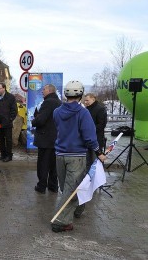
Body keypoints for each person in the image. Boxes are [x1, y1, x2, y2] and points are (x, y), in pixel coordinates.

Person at [51, 80, 106, 233]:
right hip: (77, 156)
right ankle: (61, 222)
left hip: (60, 155)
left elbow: (59, 129)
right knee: (71, 190)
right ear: (81, 95)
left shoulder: (57, 112)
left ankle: (76, 209)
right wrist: (99, 152)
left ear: (65, 94)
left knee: (66, 188)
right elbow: (90, 137)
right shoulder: (83, 113)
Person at [32, 84, 62, 194]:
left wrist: (34, 120)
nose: (42, 91)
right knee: (53, 165)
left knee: (43, 164)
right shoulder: (59, 102)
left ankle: (41, 186)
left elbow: (40, 120)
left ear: (49, 90)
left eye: (44, 89)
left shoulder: (48, 102)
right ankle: (53, 186)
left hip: (45, 139)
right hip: (56, 138)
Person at [84, 93, 108, 168]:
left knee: (95, 163)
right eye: (84, 100)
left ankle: (96, 179)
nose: (85, 102)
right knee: (87, 163)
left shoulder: (100, 109)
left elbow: (102, 125)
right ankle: (87, 178)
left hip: (97, 140)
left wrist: (89, 130)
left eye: (87, 100)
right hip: (86, 141)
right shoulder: (86, 110)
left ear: (93, 99)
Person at [0, 82, 17, 162]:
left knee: (8, 140)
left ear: (4, 88)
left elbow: (14, 110)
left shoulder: (10, 97)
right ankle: (3, 154)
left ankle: (9, 155)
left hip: (7, 122)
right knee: (0, 140)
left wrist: (10, 119)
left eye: (0, 88)